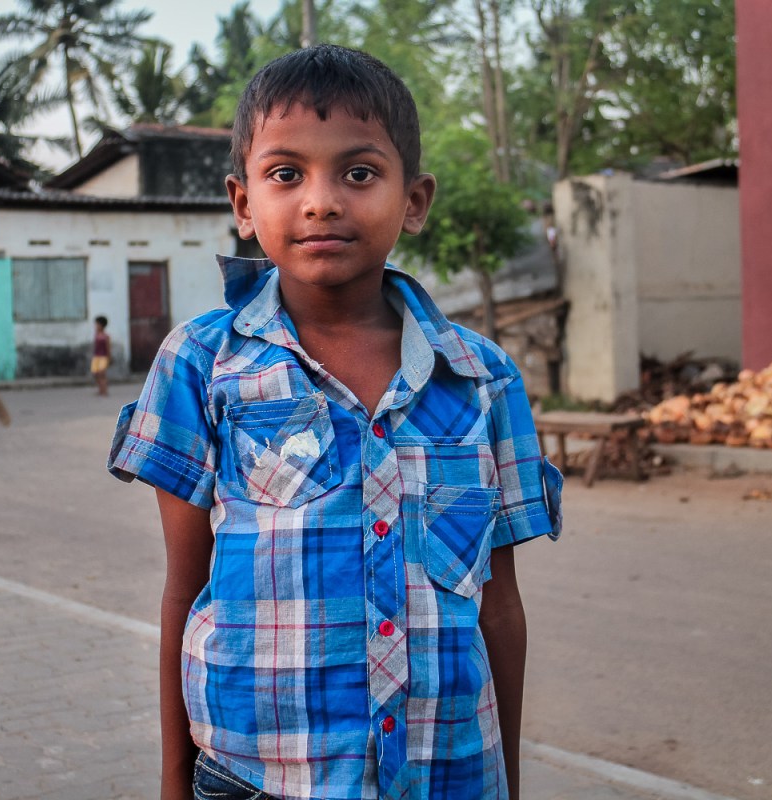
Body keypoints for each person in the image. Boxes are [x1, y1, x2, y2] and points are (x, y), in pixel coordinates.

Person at [108, 45, 563, 800]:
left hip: (447, 777)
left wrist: (505, 784)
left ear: (413, 200)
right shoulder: (202, 364)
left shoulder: (483, 379)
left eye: (359, 173)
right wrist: (172, 782)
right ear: (243, 203)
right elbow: (185, 588)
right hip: (256, 778)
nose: (321, 201)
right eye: (286, 174)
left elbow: (500, 606)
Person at [91, 315, 111, 396]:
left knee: (102, 374)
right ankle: (100, 389)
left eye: (97, 324)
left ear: (102, 325)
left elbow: (108, 348)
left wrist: (109, 358)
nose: (96, 326)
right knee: (95, 374)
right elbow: (95, 346)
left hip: (103, 357)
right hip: (96, 357)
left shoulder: (106, 336)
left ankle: (104, 390)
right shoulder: (96, 335)